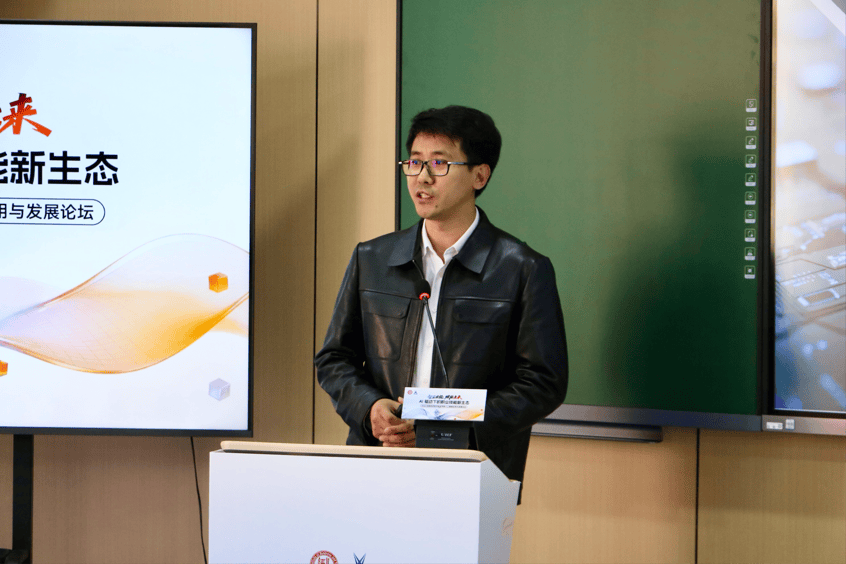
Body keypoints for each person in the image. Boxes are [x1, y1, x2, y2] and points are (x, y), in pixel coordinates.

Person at [315, 105, 568, 489]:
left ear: (479, 175)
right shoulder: (373, 259)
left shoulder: (522, 269)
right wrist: (370, 408)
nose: (422, 177)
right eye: (414, 162)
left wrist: (445, 428)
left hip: (473, 470)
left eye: (439, 163)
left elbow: (542, 383)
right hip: (378, 461)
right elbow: (334, 358)